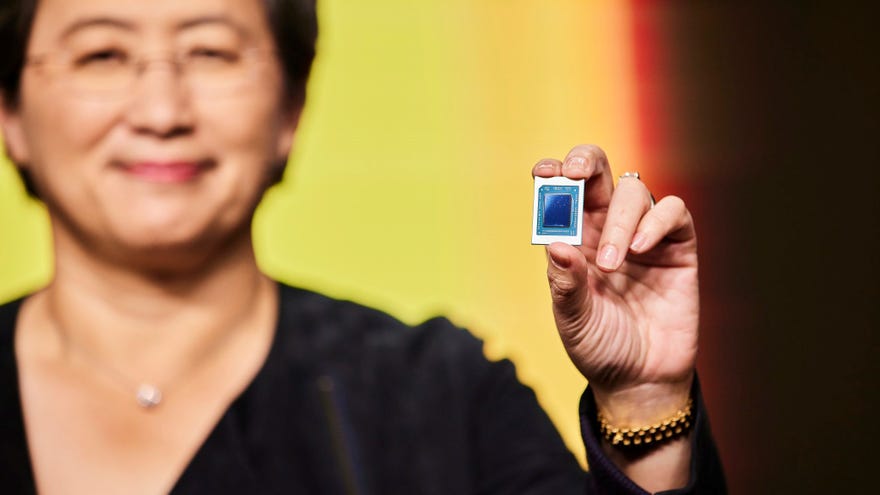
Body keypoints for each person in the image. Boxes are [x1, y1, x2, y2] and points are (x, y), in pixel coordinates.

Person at [0, 0, 725, 493]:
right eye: (100, 54)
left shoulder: (440, 396)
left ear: (291, 108)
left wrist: (643, 402)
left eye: (211, 52)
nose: (161, 111)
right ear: (11, 114)